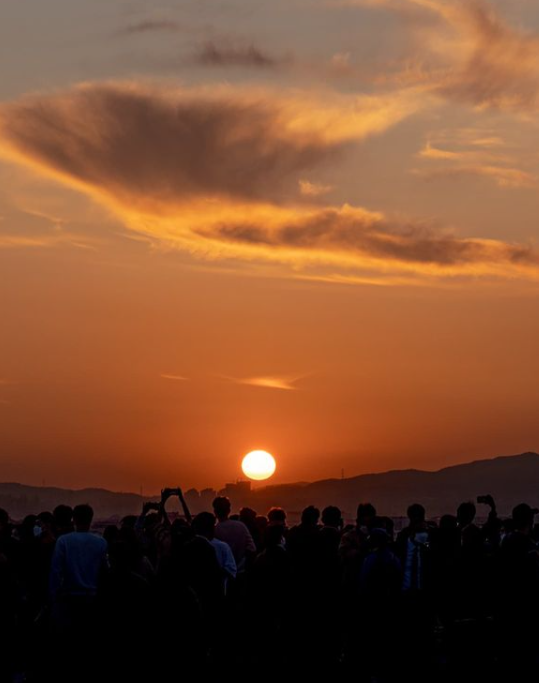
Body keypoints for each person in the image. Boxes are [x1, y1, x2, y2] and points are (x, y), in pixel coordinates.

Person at [212, 497, 256, 572]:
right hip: (241, 570)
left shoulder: (214, 530)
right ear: (229, 510)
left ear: (215, 511)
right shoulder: (241, 526)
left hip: (223, 572)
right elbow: (252, 549)